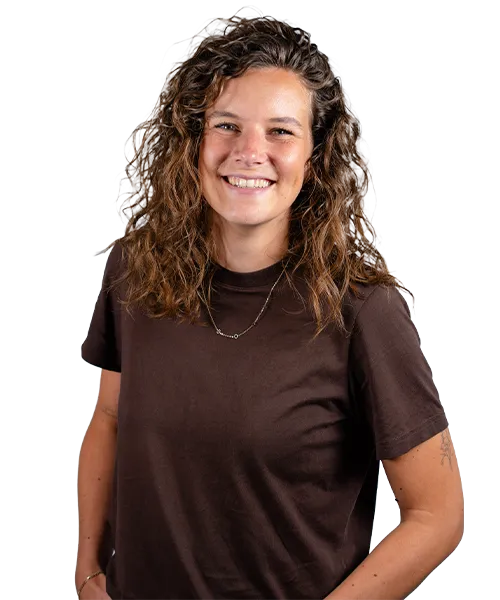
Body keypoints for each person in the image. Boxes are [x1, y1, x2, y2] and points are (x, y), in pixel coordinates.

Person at [76, 12, 464, 600]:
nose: (248, 152)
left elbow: (437, 515)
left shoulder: (362, 310)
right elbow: (110, 417)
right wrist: (86, 570)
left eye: (280, 131)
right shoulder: (137, 266)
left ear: (315, 155)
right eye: (226, 125)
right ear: (193, 139)